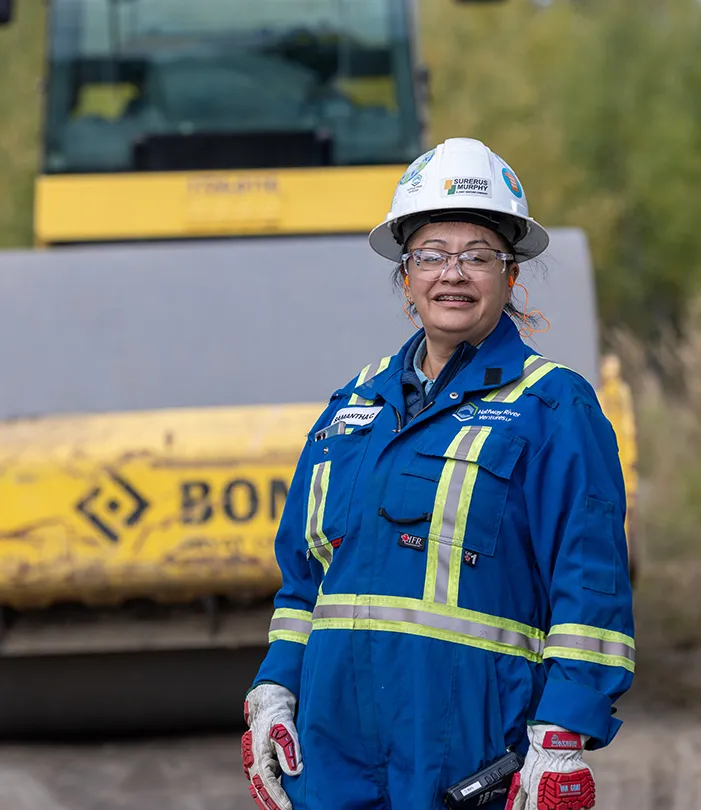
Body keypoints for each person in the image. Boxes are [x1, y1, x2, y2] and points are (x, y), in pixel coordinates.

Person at [241, 138, 635, 810]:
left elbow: (589, 580)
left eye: (476, 256)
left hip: (468, 749)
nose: (452, 274)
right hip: (334, 751)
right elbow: (305, 579)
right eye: (430, 255)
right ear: (404, 276)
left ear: (510, 277)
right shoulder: (352, 406)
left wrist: (562, 733)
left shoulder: (550, 405)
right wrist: (274, 689)